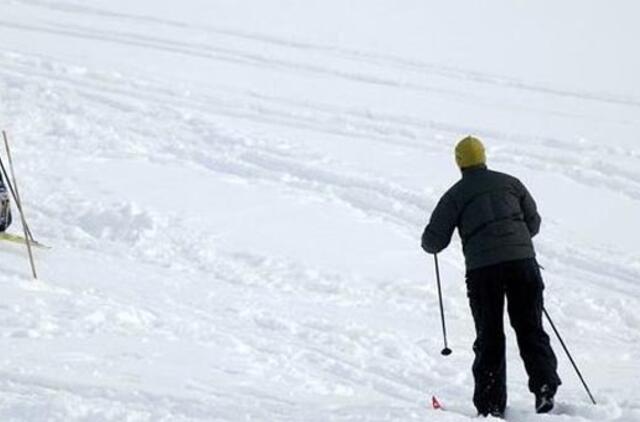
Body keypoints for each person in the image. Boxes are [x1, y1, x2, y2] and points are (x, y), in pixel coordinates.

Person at [421, 136, 561, 418]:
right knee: (530, 327)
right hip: (523, 264)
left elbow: (433, 242)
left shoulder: (455, 195)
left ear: (459, 162)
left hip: (484, 272)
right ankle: (544, 385)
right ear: (484, 157)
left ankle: (491, 405)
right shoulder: (511, 182)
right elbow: (533, 223)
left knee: (490, 336)